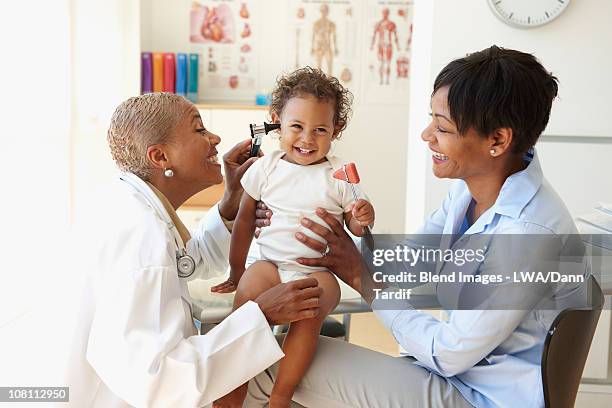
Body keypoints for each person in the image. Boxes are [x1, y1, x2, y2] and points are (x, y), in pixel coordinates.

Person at [246, 46, 586, 407]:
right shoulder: (472, 193)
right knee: (283, 364)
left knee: (266, 366)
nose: (427, 135)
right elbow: (406, 264)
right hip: (456, 376)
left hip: (479, 396)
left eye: (442, 127)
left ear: (498, 140)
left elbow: (449, 352)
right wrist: (316, 228)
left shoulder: (528, 236)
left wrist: (359, 275)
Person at [59, 92, 324, 407]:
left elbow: (186, 262)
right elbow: (160, 383)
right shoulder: (141, 236)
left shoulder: (132, 206)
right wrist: (262, 314)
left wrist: (232, 201)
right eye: (199, 130)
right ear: (160, 158)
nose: (216, 138)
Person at [212, 67, 375, 408]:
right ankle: (233, 389)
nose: (307, 139)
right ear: (277, 122)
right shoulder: (264, 168)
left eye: (320, 130)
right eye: (297, 127)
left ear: (336, 131)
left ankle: (281, 395)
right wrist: (236, 269)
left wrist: (362, 218)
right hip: (270, 263)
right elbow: (243, 223)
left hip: (316, 270)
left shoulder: (339, 174)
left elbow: (354, 226)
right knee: (247, 300)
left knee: (311, 313)